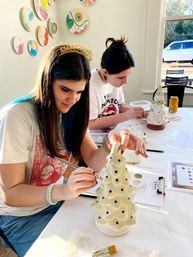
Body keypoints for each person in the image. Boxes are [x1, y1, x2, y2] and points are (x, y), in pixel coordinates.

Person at [0, 44, 147, 257]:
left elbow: (94, 161)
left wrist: (110, 144)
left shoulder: (71, 111)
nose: (73, 99)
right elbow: (11, 194)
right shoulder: (17, 117)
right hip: (20, 216)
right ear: (46, 81)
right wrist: (63, 191)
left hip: (58, 204)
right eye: (65, 89)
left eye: (79, 91)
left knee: (110, 245)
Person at [89, 37, 148, 130]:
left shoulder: (115, 81)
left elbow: (120, 105)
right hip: (96, 138)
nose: (125, 82)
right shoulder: (90, 84)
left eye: (127, 76)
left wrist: (138, 112)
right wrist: (126, 116)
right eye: (121, 77)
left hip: (115, 130)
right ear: (105, 72)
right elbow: (91, 124)